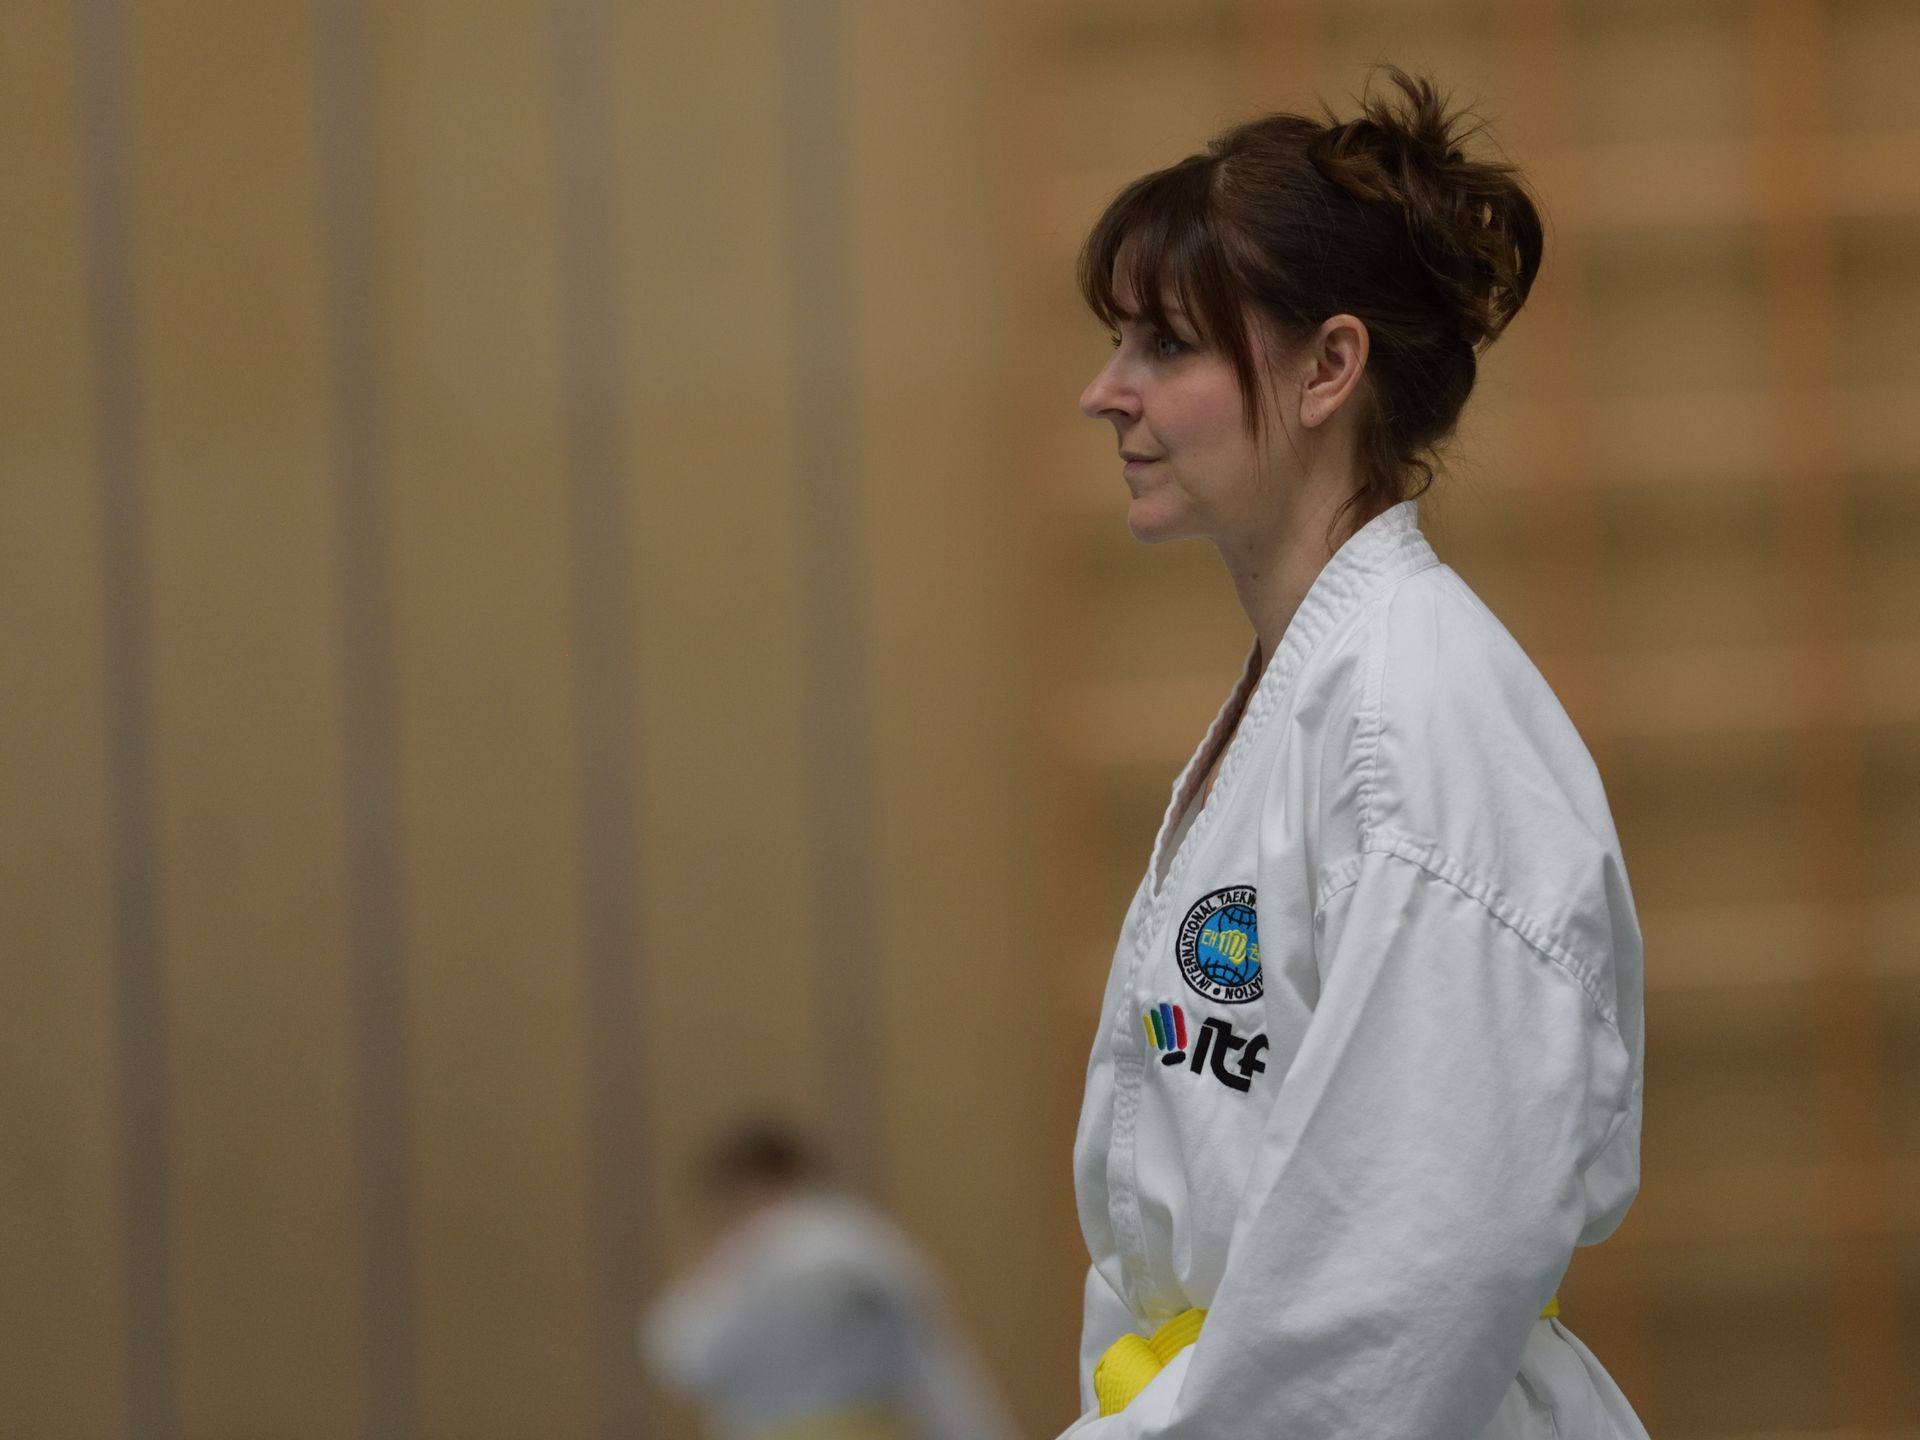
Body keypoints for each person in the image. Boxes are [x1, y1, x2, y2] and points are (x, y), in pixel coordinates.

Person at [1062, 68, 1648, 1439]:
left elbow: (1405, 1269)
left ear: (1329, 368)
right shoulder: (1322, 693)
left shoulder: (1419, 721)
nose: (1105, 392)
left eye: (1165, 344)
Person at [639, 1121, 1022, 1440]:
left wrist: (711, 1268)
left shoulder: (756, 1252)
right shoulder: (867, 1240)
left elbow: (682, 1359)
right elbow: (937, 1366)